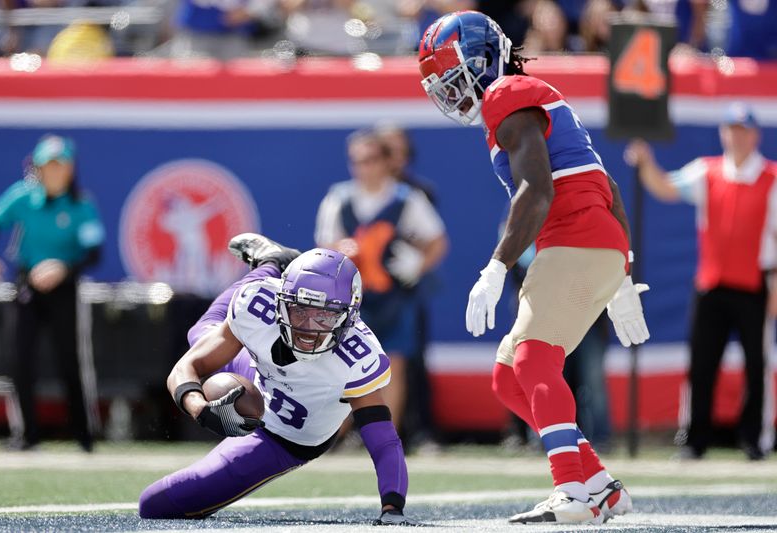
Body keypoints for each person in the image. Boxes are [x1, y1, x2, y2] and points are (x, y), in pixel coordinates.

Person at [418, 11, 648, 524]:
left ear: (481, 61)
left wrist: (496, 266)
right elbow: (607, 187)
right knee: (508, 377)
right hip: (592, 239)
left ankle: (572, 491)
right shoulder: (532, 96)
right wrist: (623, 272)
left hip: (573, 239)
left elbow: (537, 191)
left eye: (456, 81)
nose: (454, 96)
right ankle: (598, 484)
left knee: (532, 361)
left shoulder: (506, 94)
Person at [138, 234, 411, 525]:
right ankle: (272, 262)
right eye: (300, 310)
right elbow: (187, 366)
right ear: (281, 302)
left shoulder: (356, 358)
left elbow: (383, 441)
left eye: (324, 317)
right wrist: (199, 408)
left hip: (282, 437)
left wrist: (392, 507)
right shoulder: (259, 302)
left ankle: (272, 263)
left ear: (348, 318)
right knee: (201, 336)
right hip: (258, 373)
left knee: (156, 504)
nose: (308, 328)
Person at [625, 102, 777, 461]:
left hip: (756, 286)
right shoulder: (707, 172)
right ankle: (695, 440)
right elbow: (664, 187)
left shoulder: (771, 180)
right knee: (701, 365)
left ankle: (755, 439)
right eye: (731, 130)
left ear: (755, 135)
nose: (737, 138)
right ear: (723, 134)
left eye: (743, 131)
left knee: (757, 366)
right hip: (711, 286)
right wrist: (646, 162)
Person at [315, 130, 448, 439]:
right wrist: (342, 248)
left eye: (371, 159)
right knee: (342, 364)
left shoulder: (407, 198)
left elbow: (437, 241)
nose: (364, 167)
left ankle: (387, 436)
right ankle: (334, 437)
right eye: (357, 161)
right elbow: (324, 244)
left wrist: (417, 265)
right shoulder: (339, 197)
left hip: (394, 295)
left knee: (394, 365)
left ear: (387, 162)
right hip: (351, 297)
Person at [0, 134, 104, 452]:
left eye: (61, 165)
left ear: (70, 169)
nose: (55, 172)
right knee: (19, 359)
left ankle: (83, 435)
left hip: (65, 290)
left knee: (70, 361)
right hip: (27, 288)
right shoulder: (23, 196)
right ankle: (26, 434)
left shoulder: (81, 205)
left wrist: (63, 268)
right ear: (38, 168)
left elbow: (94, 252)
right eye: (48, 166)